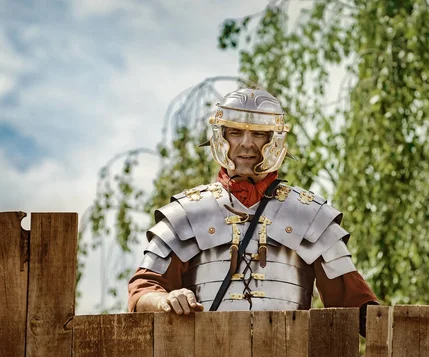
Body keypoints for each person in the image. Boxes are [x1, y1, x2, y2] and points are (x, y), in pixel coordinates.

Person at [128, 87, 378, 333]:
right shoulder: (187, 213)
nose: (247, 144)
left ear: (275, 140)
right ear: (221, 137)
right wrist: (166, 300)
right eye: (236, 133)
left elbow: (358, 304)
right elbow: (142, 291)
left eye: (259, 134)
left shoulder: (310, 216)